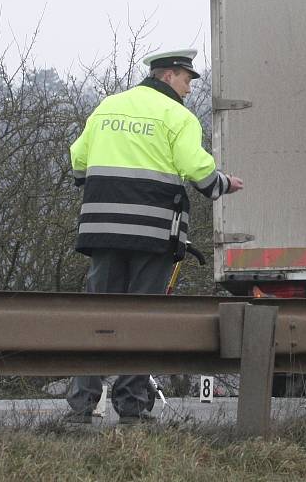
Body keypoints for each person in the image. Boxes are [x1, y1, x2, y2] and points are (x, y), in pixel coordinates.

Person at [66, 48, 243, 423]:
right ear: (168, 76)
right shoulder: (177, 116)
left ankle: (81, 408)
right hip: (151, 234)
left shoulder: (108, 107)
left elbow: (78, 163)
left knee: (96, 318)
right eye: (186, 79)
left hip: (102, 232)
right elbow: (197, 170)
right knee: (143, 318)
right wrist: (223, 183)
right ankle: (131, 408)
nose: (190, 89)